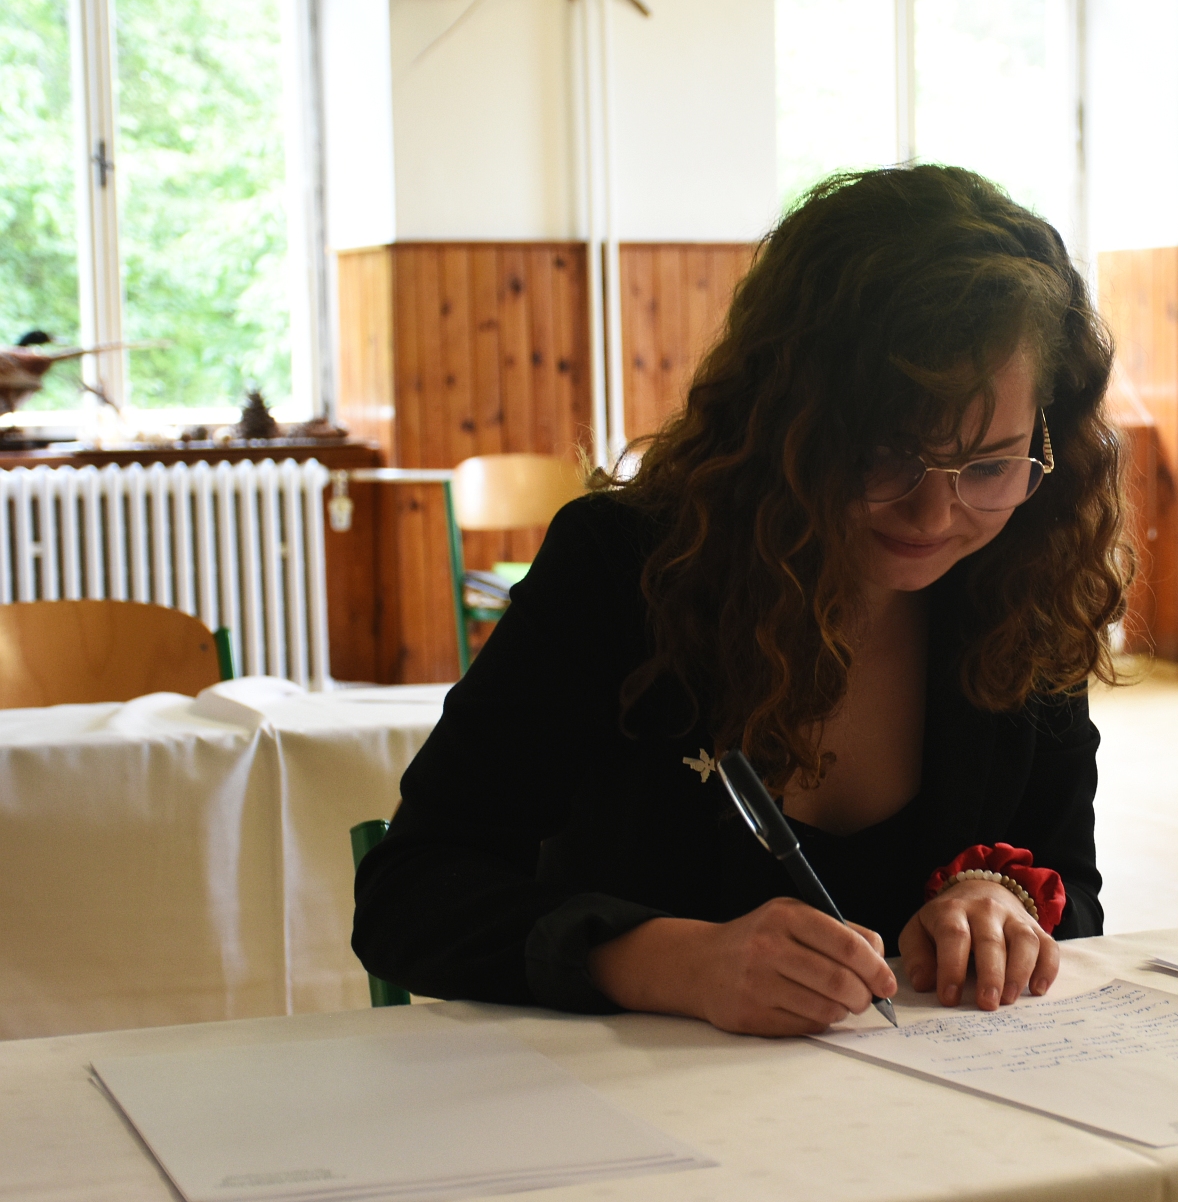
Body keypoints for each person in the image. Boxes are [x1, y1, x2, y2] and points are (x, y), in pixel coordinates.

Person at [352, 165, 1132, 1037]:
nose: (934, 515)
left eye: (988, 465)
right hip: (625, 1102)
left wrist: (1003, 900)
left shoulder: (1025, 583)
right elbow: (407, 896)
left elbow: (1072, 889)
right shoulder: (626, 568)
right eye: (883, 455)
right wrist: (666, 961)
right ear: (784, 421)